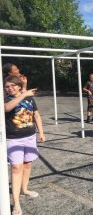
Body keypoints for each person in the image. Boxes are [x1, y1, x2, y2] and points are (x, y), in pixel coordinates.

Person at [4, 75, 45, 215]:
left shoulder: (29, 98)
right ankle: (16, 203)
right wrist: (25, 93)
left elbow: (36, 115)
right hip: (13, 139)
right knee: (16, 167)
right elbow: (7, 108)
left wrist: (41, 132)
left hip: (29, 137)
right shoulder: (5, 99)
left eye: (12, 85)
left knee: (28, 164)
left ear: (19, 86)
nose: (9, 88)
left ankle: (24, 189)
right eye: (7, 86)